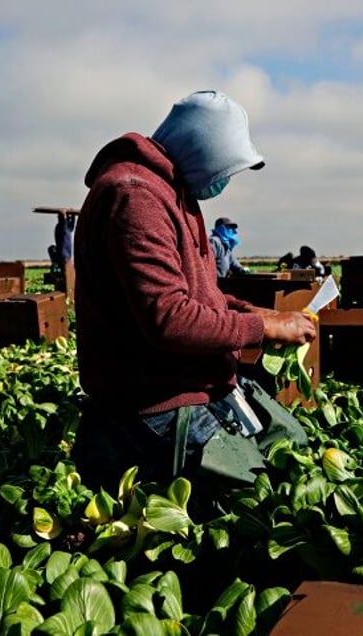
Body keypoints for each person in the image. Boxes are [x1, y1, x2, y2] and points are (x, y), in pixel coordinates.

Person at [71, 90, 316, 498]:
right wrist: (260, 328)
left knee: (291, 452)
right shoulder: (135, 195)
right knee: (259, 497)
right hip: (153, 399)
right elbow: (170, 318)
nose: (223, 182)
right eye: (224, 169)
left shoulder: (173, 191)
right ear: (202, 152)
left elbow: (200, 294)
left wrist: (254, 312)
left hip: (192, 383)